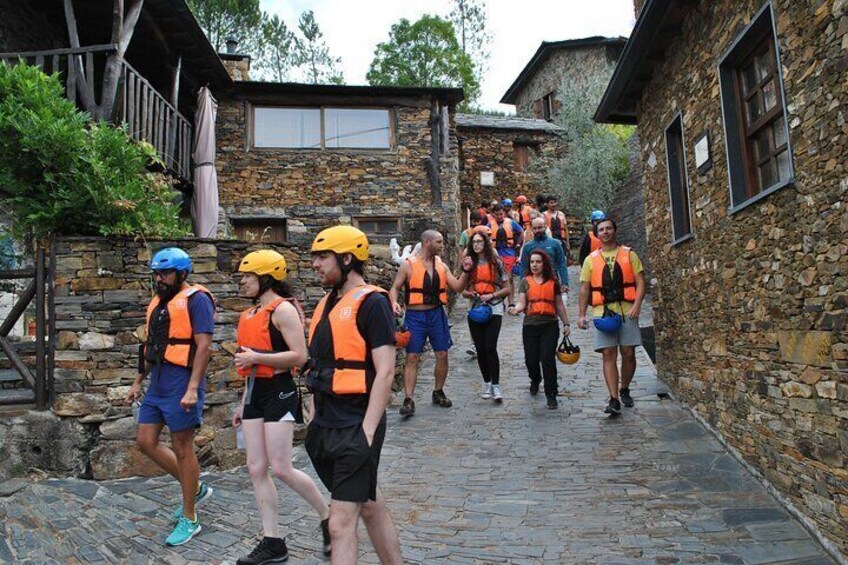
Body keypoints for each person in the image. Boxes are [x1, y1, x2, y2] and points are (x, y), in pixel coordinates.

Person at [305, 225, 403, 565]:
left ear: (347, 259)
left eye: (322, 257)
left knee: (340, 521)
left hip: (356, 424)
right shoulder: (327, 304)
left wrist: (368, 431)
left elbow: (386, 370)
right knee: (369, 504)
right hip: (326, 424)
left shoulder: (373, 303)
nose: (315, 264)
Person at [232, 250, 331, 564]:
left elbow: (299, 356)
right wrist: (240, 402)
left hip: (279, 391)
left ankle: (329, 516)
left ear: (265, 277)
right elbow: (248, 365)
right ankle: (273, 542)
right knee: (255, 468)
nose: (243, 282)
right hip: (254, 392)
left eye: (247, 276)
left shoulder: (282, 310)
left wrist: (257, 358)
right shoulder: (249, 314)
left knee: (281, 467)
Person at [126, 247, 215, 546]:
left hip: (182, 381)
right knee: (145, 441)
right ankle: (196, 487)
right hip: (159, 382)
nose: (159, 279)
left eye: (164, 274)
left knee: (182, 448)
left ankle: (190, 518)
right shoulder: (159, 304)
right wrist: (138, 381)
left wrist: (193, 387)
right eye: (156, 274)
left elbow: (203, 347)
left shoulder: (197, 300)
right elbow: (153, 347)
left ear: (182, 274)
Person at [389, 230, 470, 416]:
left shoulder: (441, 265)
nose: (442, 246)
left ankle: (438, 391)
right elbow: (395, 288)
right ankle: (409, 398)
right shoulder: (408, 265)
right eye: (439, 242)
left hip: (436, 315)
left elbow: (457, 287)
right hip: (415, 317)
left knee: (442, 354)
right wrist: (393, 302)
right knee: (412, 357)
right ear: (427, 242)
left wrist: (466, 271)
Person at [577, 218, 647, 416]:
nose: (605, 232)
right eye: (601, 229)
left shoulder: (629, 254)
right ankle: (614, 398)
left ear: (615, 231)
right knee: (608, 354)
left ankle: (624, 388)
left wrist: (637, 304)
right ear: (597, 234)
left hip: (627, 310)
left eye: (608, 228)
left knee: (629, 354)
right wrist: (582, 314)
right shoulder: (590, 260)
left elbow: (640, 281)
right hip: (603, 313)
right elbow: (584, 288)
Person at [509, 249, 570, 409]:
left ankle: (551, 393)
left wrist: (566, 324)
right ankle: (535, 379)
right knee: (531, 359)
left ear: (544, 264)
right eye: (532, 262)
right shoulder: (525, 281)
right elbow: (522, 302)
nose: (535, 265)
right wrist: (516, 309)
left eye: (538, 262)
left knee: (547, 358)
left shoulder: (553, 282)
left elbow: (559, 304)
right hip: (530, 326)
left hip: (549, 325)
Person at [461, 230, 510, 402]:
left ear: (486, 243)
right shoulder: (468, 264)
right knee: (480, 348)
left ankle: (496, 385)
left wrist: (492, 296)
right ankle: (487, 383)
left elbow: (507, 288)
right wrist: (472, 294)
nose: (476, 245)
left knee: (490, 346)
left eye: (479, 242)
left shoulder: (497, 263)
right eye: (473, 242)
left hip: (494, 308)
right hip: (475, 309)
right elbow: (462, 290)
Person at [519, 218, 569, 296]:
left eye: (540, 227)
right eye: (535, 228)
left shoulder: (555, 243)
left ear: (545, 227)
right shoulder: (527, 246)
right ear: (532, 229)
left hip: (552, 280)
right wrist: (522, 286)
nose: (537, 230)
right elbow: (523, 266)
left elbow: (561, 264)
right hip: (533, 282)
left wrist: (565, 282)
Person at [487, 203, 523, 307]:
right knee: (496, 278)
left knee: (509, 278)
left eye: (501, 214)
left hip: (508, 252)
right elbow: (484, 235)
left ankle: (511, 302)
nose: (499, 216)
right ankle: (500, 301)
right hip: (495, 253)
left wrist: (518, 244)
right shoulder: (489, 225)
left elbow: (521, 232)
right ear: (494, 214)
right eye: (497, 214)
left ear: (504, 213)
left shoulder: (511, 223)